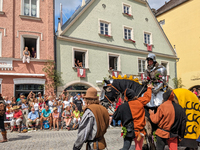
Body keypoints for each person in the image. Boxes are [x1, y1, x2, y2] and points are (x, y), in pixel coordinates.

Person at [113, 84, 153, 150]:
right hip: (139, 131)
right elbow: (147, 97)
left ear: (126, 97)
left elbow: (115, 117)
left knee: (125, 147)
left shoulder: (122, 106)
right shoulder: (140, 101)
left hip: (128, 131)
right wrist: (149, 88)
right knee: (138, 148)